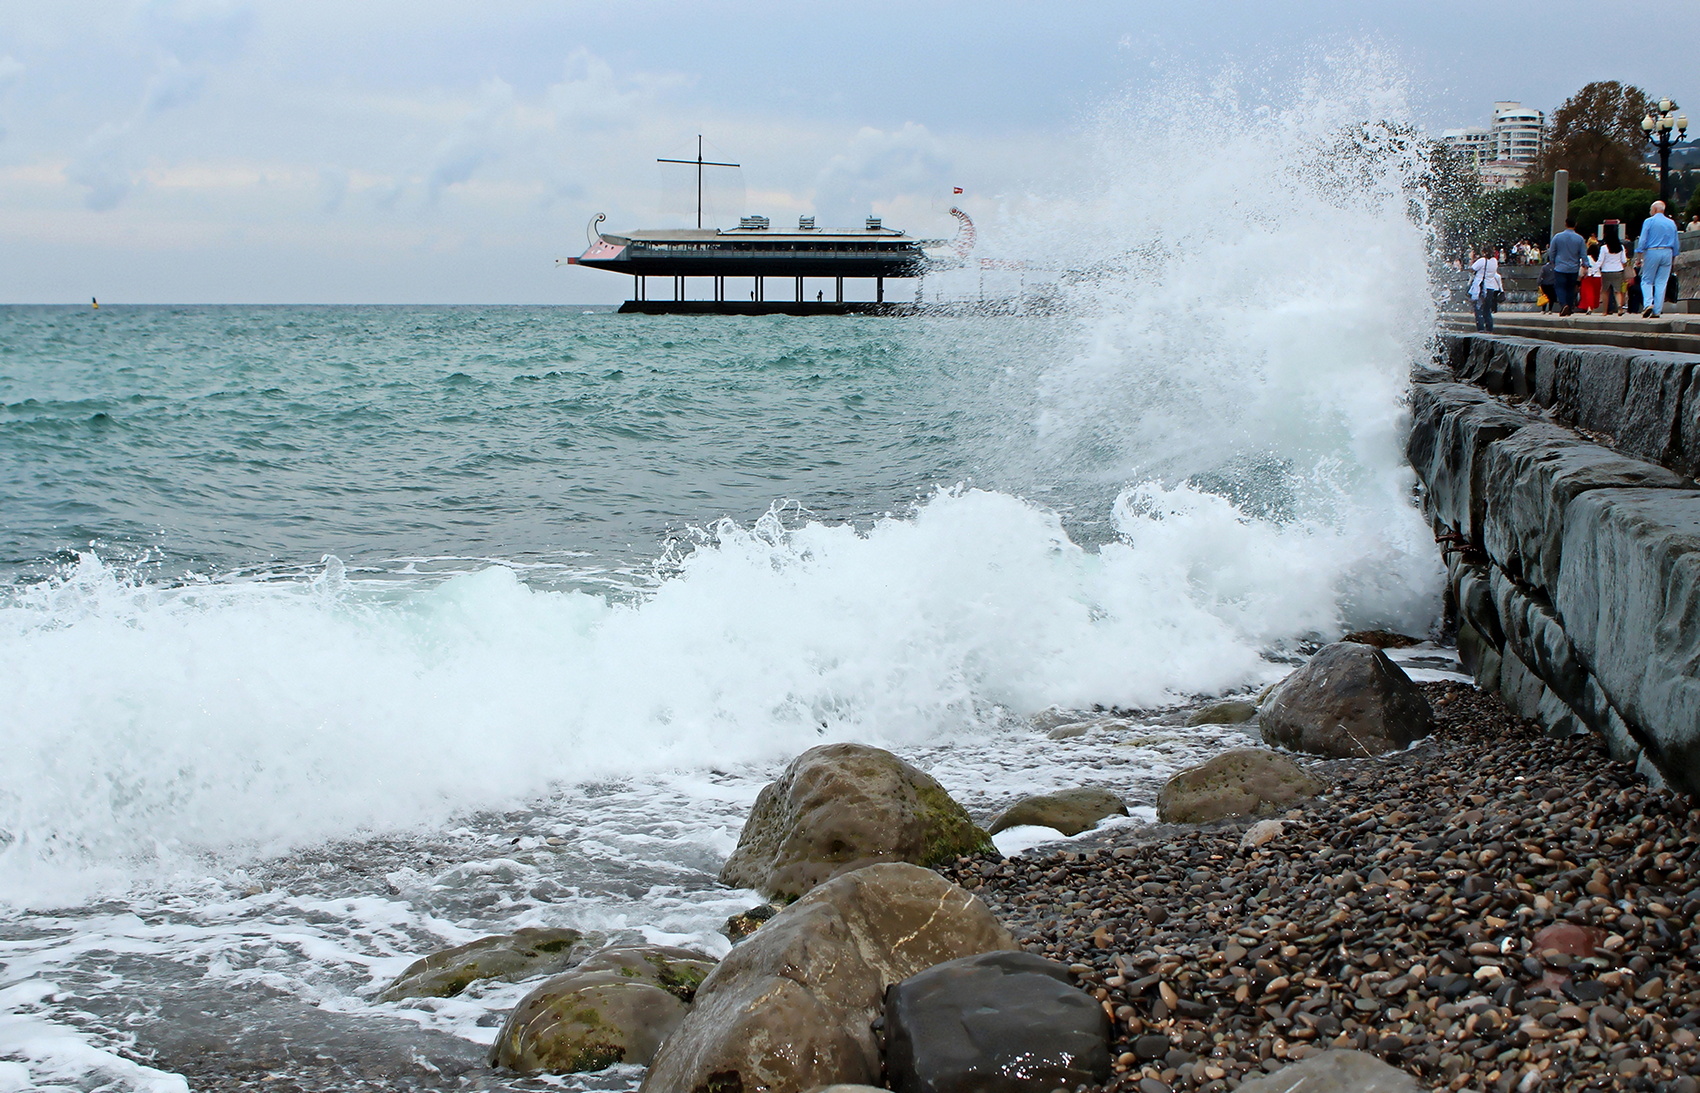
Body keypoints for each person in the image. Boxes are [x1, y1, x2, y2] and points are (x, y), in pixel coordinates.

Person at [1636, 200, 1681, 318]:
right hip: (1668, 252)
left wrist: (1639, 256)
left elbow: (1643, 240)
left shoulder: (1649, 221)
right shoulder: (1672, 223)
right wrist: (1674, 258)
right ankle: (1657, 310)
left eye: (1651, 210)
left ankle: (1648, 304)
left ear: (1655, 209)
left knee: (1647, 280)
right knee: (1662, 282)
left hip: (1652, 252)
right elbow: (1676, 243)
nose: (1650, 212)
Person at [1548, 217, 1587, 317]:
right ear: (1576, 224)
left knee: (1559, 287)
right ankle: (1569, 306)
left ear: (1565, 224)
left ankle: (1563, 304)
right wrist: (1585, 265)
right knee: (1570, 288)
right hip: (1573, 267)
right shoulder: (1580, 238)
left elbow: (1552, 251)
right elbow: (1583, 254)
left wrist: (1552, 261)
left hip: (1560, 266)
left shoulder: (1557, 237)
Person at [1597, 224, 1629, 316]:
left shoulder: (1604, 248)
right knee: (1618, 291)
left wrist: (1595, 269)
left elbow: (1600, 260)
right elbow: (1624, 260)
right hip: (1618, 270)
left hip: (1606, 271)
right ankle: (1619, 307)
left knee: (1605, 291)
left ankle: (1604, 311)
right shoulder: (1621, 247)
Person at [1469, 245, 1502, 332]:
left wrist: (1472, 260)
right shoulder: (1494, 261)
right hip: (1491, 287)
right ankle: (1489, 328)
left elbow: (1472, 269)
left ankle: (1480, 328)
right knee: (1487, 309)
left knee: (1478, 308)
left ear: (1484, 252)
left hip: (1481, 287)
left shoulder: (1482, 260)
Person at [1579, 240, 1602, 313]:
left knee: (1588, 292)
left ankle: (1589, 306)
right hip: (1598, 276)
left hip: (1588, 276)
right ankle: (1593, 306)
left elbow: (1583, 265)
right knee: (1595, 293)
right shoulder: (1599, 258)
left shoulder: (1587, 257)